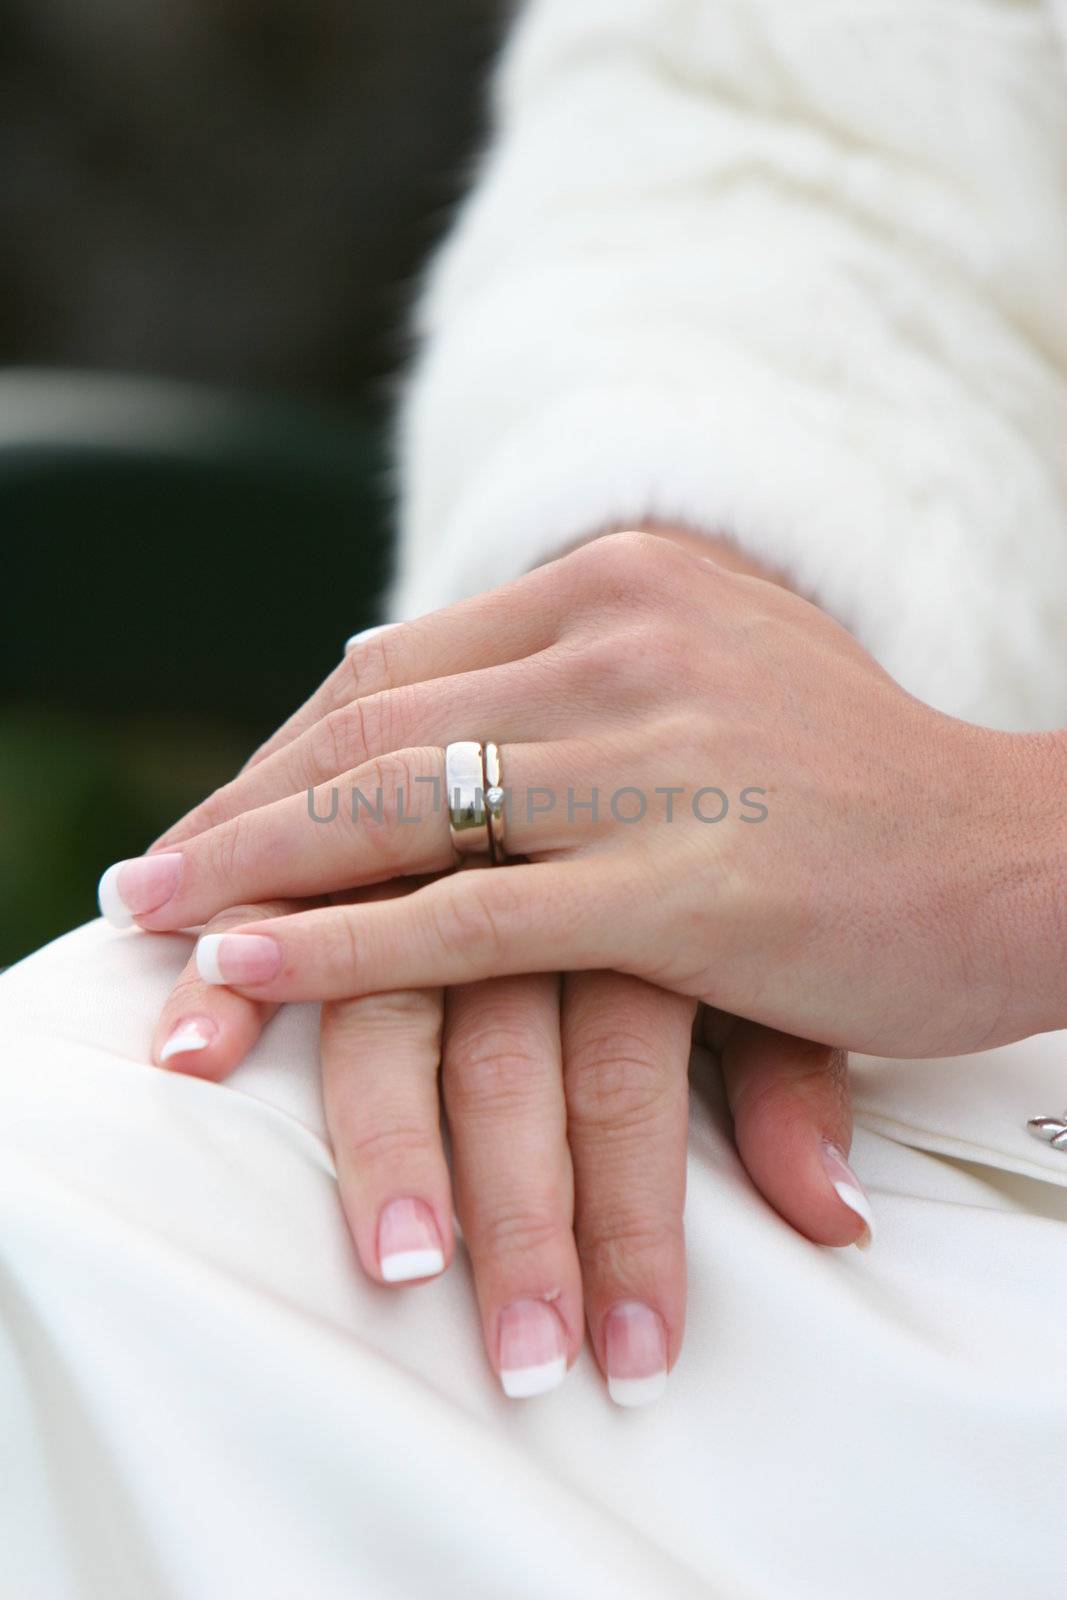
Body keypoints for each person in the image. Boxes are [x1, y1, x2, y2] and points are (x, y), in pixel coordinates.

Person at [4, 3, 1067, 1596]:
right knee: (97, 1187)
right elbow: (790, 133)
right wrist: (692, 632)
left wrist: (1022, 849)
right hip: (881, 954)